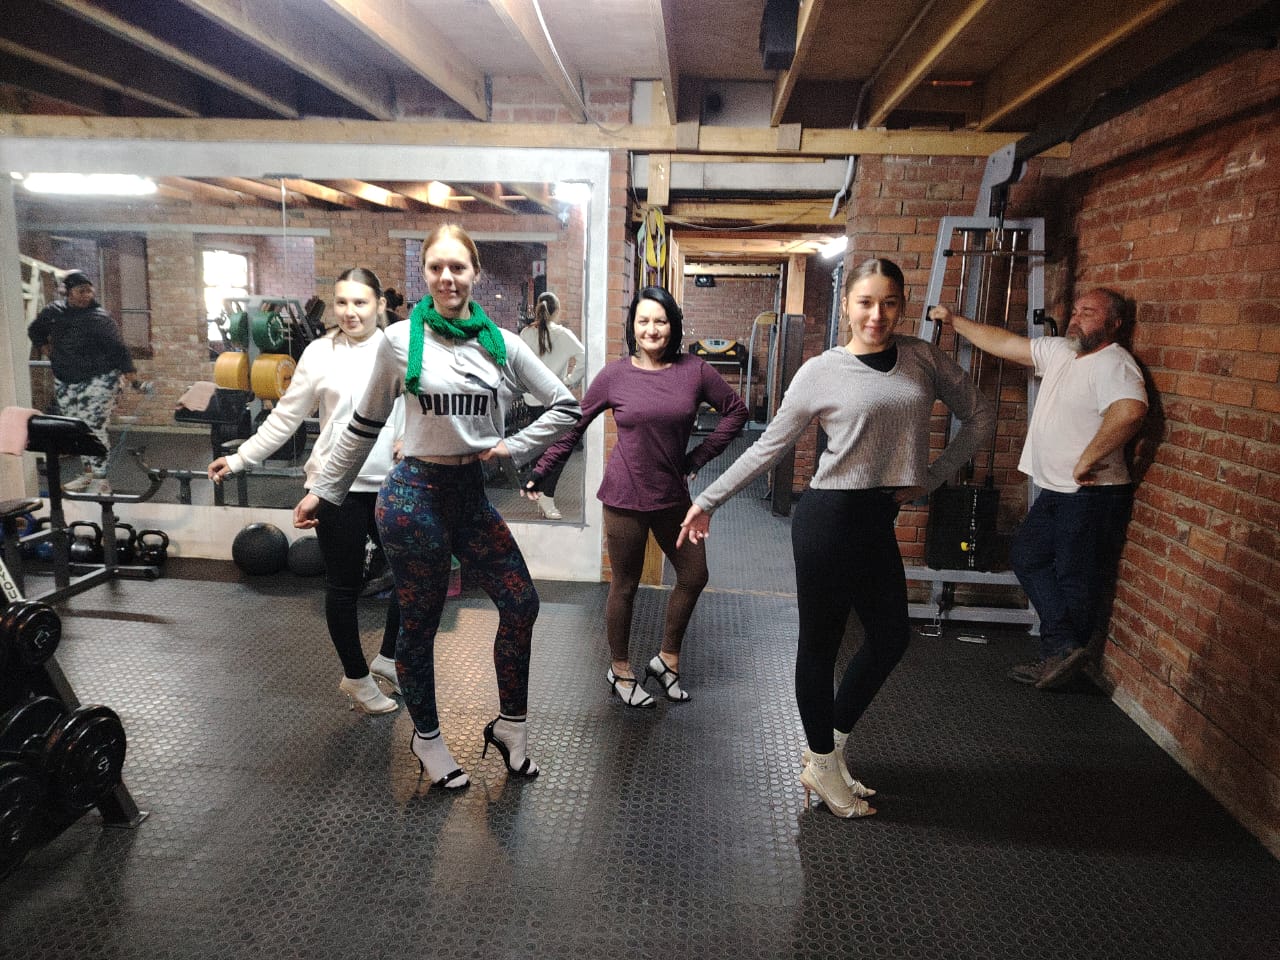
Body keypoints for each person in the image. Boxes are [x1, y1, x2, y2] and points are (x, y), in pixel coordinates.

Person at [678, 258, 995, 818]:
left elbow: (980, 416)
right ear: (846, 305)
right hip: (828, 518)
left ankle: (829, 752)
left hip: (877, 518)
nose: (877, 315)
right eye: (866, 302)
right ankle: (823, 763)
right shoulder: (821, 371)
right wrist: (708, 500)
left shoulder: (922, 358)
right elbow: (768, 446)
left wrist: (932, 477)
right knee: (821, 647)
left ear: (902, 305)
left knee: (890, 638)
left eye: (889, 303)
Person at [294, 224, 580, 790]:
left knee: (521, 604)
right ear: (424, 274)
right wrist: (324, 490)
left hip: (470, 493)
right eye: (436, 267)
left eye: (458, 267)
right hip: (413, 497)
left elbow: (566, 406)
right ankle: (427, 739)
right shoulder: (400, 341)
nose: (447, 277)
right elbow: (364, 424)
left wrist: (511, 447)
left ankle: (511, 729)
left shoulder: (501, 343)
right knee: (419, 624)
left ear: (475, 272)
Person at [527, 286, 747, 708]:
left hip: (673, 496)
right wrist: (542, 470)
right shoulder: (615, 376)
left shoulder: (695, 370)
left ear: (673, 326)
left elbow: (737, 411)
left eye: (660, 321)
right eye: (643, 321)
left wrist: (697, 456)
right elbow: (574, 425)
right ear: (633, 326)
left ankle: (667, 660)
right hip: (624, 496)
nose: (651, 329)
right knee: (625, 585)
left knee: (694, 574)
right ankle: (621, 670)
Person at [208, 268, 404, 716]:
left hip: (393, 483)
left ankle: (389, 659)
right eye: (342, 302)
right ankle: (357, 678)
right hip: (335, 486)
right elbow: (285, 418)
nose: (350, 312)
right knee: (344, 586)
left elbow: (416, 407)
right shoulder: (319, 353)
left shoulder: (399, 349)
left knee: (412, 578)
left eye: (360, 302)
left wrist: (407, 439)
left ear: (379, 304)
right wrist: (240, 458)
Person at [931, 288, 1147, 691]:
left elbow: (1131, 411)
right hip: (1058, 489)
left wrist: (1089, 457)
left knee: (1073, 577)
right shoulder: (1062, 351)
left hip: (1091, 492)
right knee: (1027, 556)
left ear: (1114, 324)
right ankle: (1064, 650)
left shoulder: (1114, 364)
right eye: (1076, 310)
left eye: (1089, 312)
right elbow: (1006, 344)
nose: (1077, 318)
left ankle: (1064, 660)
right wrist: (955, 321)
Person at [28, 270, 137, 495]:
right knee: (76, 428)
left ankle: (101, 479)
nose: (86, 295)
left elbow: (118, 348)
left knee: (93, 426)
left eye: (89, 290)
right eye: (81, 291)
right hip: (65, 379)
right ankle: (88, 475)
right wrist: (47, 349)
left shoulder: (100, 318)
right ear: (67, 292)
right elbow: (35, 331)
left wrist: (130, 373)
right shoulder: (53, 311)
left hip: (100, 378)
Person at [518, 291, 586, 519]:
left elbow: (516, 362)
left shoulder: (526, 333)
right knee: (559, 449)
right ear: (557, 311)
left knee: (544, 446)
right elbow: (584, 357)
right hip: (554, 399)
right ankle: (545, 494)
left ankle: (539, 489)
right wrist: (570, 380)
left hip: (532, 399)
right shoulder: (563, 334)